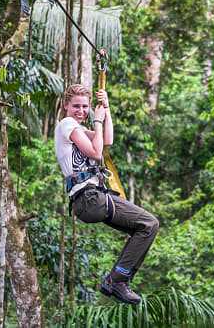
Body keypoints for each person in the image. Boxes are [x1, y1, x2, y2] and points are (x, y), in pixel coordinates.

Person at [54, 84, 159, 305]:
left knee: (144, 228)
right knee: (149, 223)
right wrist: (98, 120)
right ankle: (116, 280)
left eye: (85, 106)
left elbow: (107, 140)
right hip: (89, 198)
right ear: (66, 106)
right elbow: (96, 152)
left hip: (92, 199)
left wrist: (106, 108)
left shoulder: (78, 128)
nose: (81, 110)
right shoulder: (66, 124)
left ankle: (119, 279)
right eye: (76, 106)